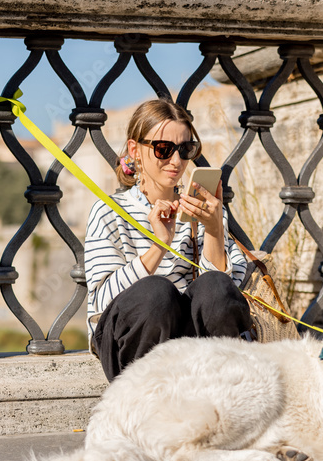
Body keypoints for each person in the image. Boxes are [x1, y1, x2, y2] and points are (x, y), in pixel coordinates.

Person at [84, 99, 250, 382]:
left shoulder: (201, 207)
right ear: (135, 150)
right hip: (132, 340)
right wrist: (159, 246)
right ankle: (144, 400)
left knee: (215, 285)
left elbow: (228, 297)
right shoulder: (110, 211)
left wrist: (213, 229)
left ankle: (224, 392)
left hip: (192, 342)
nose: (176, 161)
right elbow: (101, 300)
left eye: (185, 150)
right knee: (156, 293)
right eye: (163, 149)